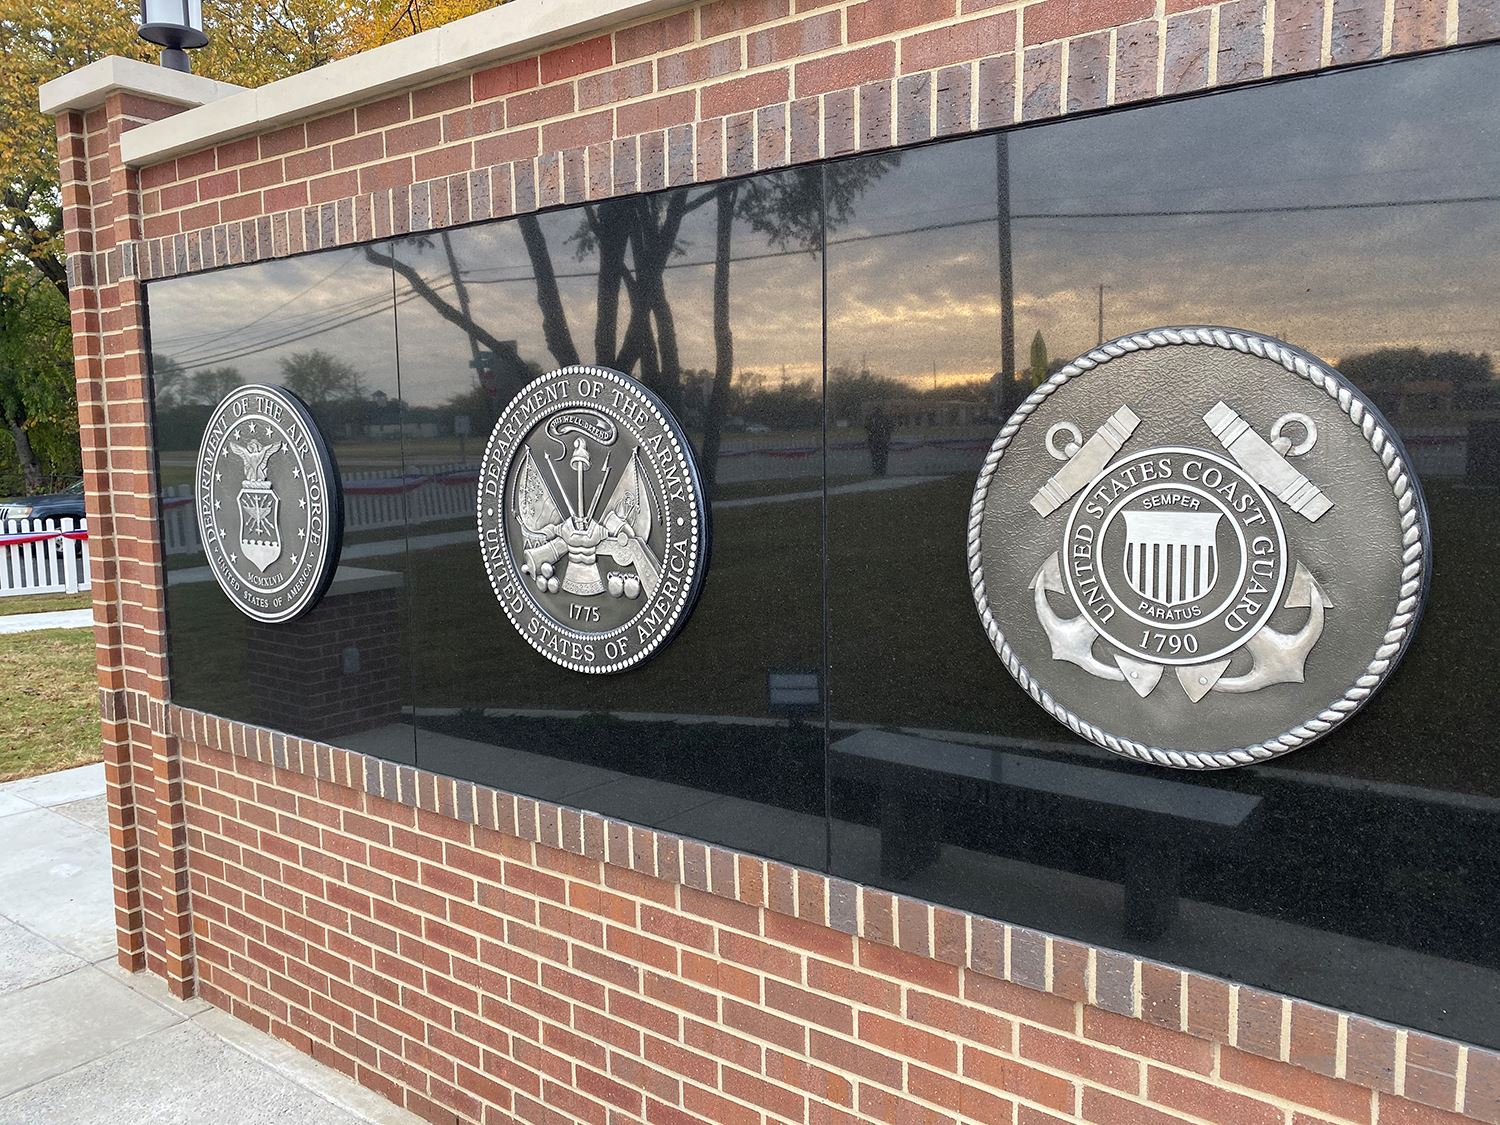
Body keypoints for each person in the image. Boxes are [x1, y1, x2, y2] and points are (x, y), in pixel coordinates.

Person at [865, 406, 894, 477]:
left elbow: (868, 428)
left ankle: (877, 471)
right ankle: (882, 471)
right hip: (882, 441)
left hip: (875, 441)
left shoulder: (872, 419)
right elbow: (891, 427)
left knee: (876, 457)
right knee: (882, 457)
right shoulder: (885, 419)